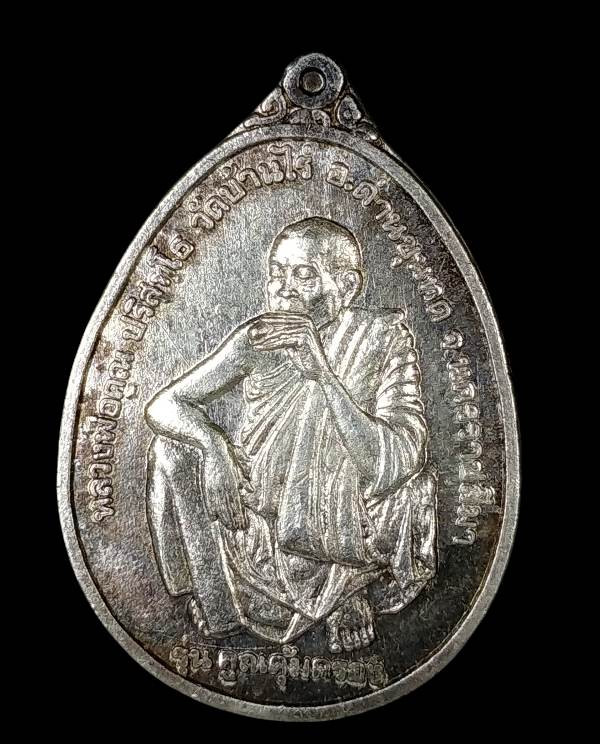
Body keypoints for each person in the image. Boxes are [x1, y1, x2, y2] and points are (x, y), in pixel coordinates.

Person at [145, 217, 437, 653]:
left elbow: (395, 459)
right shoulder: (259, 339)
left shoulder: (383, 338)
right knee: (170, 449)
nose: (282, 290)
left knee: (415, 486)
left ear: (347, 286)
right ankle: (219, 597)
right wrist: (213, 446)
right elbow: (162, 405)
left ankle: (347, 588)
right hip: (263, 510)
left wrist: (323, 375)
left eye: (302, 275)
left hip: (347, 517)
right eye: (276, 274)